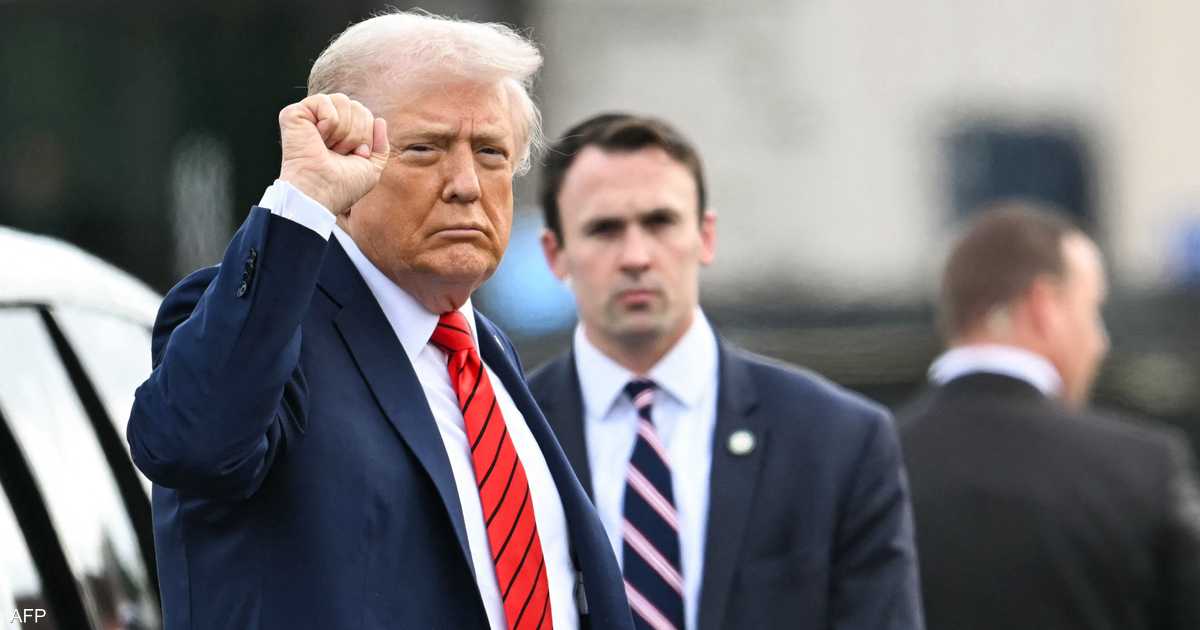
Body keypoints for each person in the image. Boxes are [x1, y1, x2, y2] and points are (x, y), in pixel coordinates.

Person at [126, 11, 633, 630]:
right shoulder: (262, 327)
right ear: (342, 160)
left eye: (491, 152)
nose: (466, 185)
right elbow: (192, 446)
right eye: (425, 149)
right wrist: (303, 199)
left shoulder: (484, 353)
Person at [527, 113, 924, 630]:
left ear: (706, 236)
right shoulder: (511, 436)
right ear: (555, 254)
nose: (636, 256)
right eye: (604, 229)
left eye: (660, 222)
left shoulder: (837, 440)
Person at [898, 203, 1200, 629]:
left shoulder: (870, 463)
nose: (1101, 342)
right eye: (1093, 310)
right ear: (1044, 306)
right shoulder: (1143, 467)